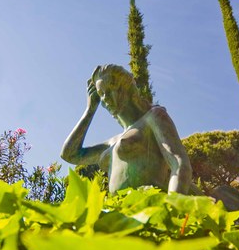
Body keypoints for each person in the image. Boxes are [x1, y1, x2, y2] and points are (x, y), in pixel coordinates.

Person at [61, 64, 192, 194]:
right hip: (119, 209)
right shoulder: (112, 142)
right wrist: (90, 110)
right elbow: (70, 155)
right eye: (101, 94)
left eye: (110, 89)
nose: (105, 98)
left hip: (149, 205)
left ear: (126, 88)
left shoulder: (153, 117)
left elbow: (179, 164)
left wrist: (173, 207)